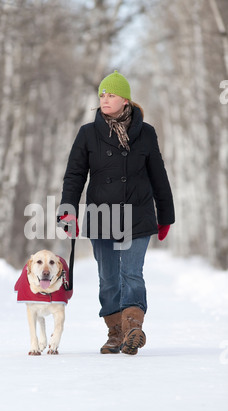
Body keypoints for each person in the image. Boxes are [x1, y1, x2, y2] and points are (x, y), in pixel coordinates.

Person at [58, 70, 175, 355]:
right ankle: (115, 332)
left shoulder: (145, 133)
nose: (105, 99)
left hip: (138, 214)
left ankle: (133, 327)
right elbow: (75, 175)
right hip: (101, 216)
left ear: (125, 100)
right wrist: (67, 211)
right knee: (108, 277)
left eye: (111, 95)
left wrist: (166, 215)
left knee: (131, 273)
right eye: (102, 95)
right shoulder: (88, 133)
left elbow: (158, 175)